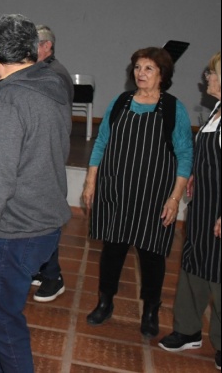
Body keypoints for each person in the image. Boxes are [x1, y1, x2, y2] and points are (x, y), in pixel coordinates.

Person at [0, 14, 71, 373]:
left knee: (3, 322)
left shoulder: (8, 102)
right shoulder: (50, 85)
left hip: (12, 229)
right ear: (34, 50)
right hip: (42, 222)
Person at [82, 47, 193, 337]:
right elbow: (102, 141)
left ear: (162, 75)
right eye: (137, 67)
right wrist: (91, 181)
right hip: (116, 191)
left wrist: (175, 198)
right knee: (112, 252)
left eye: (148, 69)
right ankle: (105, 302)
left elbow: (185, 154)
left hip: (154, 196)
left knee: (152, 255)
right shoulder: (121, 102)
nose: (140, 74)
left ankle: (151, 310)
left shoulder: (174, 108)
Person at [158, 52, 221, 370]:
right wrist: (197, 172)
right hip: (203, 206)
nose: (206, 78)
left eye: (212, 73)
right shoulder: (217, 111)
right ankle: (187, 330)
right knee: (194, 264)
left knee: (219, 274)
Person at [30, 24, 74, 303]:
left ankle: (53, 277)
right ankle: (41, 269)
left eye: (34, 43)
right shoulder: (43, 70)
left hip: (46, 156)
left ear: (47, 46)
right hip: (41, 153)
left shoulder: (53, 74)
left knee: (45, 218)